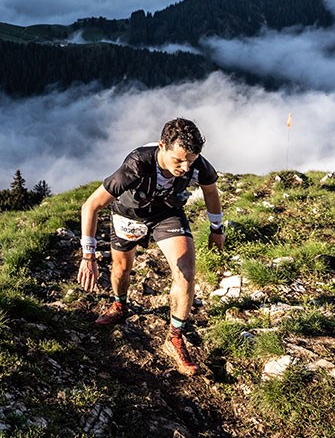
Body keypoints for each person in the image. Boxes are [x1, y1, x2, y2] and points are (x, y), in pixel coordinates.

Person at [76, 118, 225, 376]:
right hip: (128, 214)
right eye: (178, 160)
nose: (185, 167)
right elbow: (90, 205)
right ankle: (120, 305)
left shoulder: (197, 165)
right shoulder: (136, 165)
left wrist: (217, 229)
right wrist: (88, 256)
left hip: (166, 214)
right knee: (122, 270)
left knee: (186, 273)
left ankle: (174, 337)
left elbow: (211, 192)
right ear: (161, 146)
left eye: (191, 159)